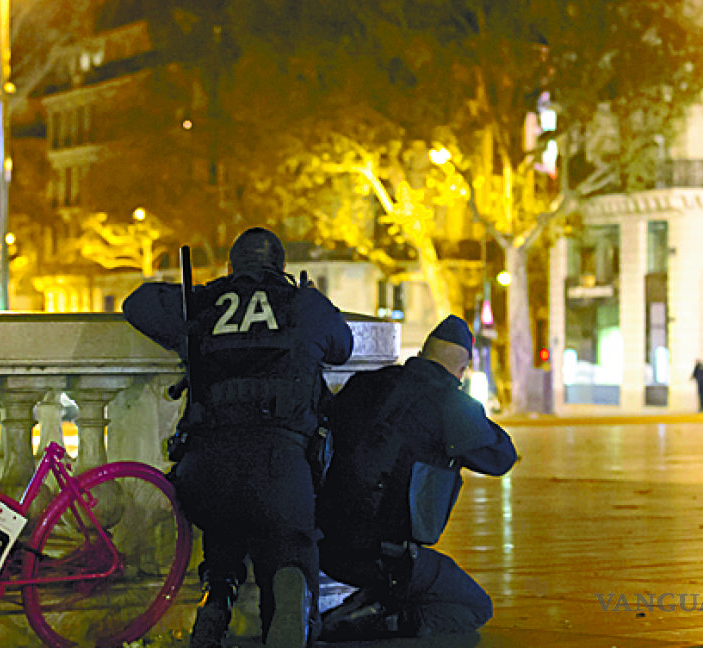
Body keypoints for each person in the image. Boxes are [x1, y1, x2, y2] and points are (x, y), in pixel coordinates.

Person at [122, 227, 354, 648]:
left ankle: (217, 596)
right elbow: (343, 347)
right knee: (288, 538)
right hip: (280, 466)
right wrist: (313, 300)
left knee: (226, 515)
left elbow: (137, 303)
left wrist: (201, 292)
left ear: (232, 267)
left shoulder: (206, 302)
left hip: (204, 470)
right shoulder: (303, 304)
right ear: (282, 268)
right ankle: (289, 585)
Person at [316, 315, 516, 641]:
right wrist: (463, 407)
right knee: (474, 607)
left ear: (422, 353)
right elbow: (502, 457)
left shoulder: (365, 384)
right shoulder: (453, 405)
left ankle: (369, 604)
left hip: (325, 546)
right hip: (385, 558)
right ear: (462, 371)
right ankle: (377, 621)